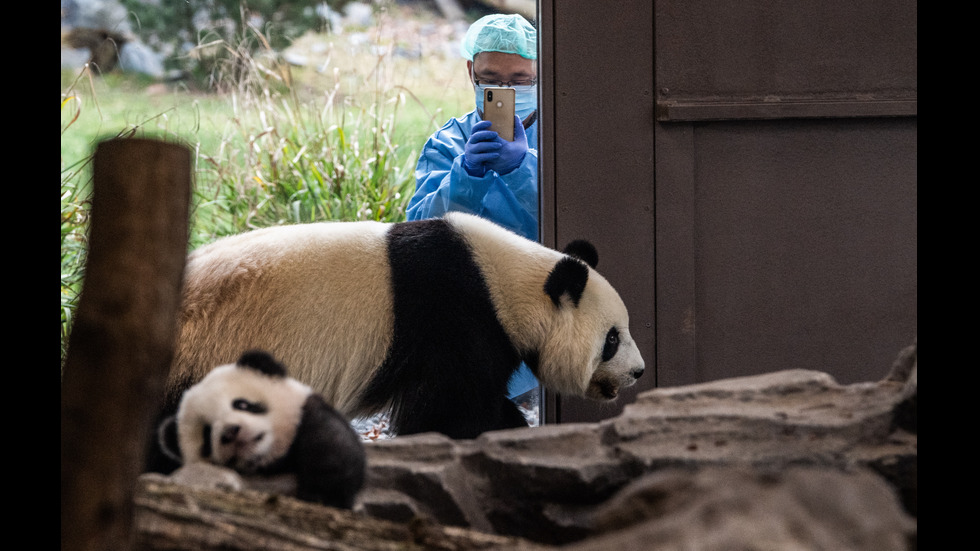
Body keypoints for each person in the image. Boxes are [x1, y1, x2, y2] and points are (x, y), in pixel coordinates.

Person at [406, 13, 540, 416]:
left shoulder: (565, 136)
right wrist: (465, 177)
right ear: (470, 71)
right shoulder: (448, 143)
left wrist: (525, 169)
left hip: (540, 302)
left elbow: (578, 216)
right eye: (491, 77)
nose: (505, 89)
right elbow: (420, 230)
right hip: (467, 307)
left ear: (542, 73)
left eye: (520, 79)